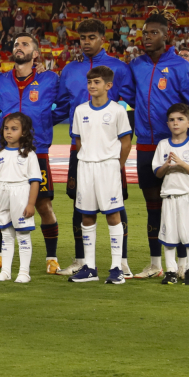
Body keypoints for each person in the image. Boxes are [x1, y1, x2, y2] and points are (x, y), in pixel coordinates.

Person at [0, 34, 63, 274]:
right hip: (6, 151)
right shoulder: (2, 81)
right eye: (15, 44)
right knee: (1, 204)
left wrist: (44, 121)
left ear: (35, 54)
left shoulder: (49, 79)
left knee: (43, 205)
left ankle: (51, 258)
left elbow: (64, 105)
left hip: (37, 150)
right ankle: (1, 255)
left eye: (24, 44)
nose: (18, 47)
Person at [127, 13, 189, 279]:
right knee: (152, 204)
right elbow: (130, 94)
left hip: (173, 144)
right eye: (144, 32)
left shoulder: (180, 66)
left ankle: (184, 265)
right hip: (146, 145)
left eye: (152, 33)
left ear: (166, 36)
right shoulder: (136, 64)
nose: (146, 37)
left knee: (179, 206)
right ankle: (155, 264)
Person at [54, 18, 135, 277]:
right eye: (82, 38)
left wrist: (118, 160)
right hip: (80, 151)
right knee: (80, 206)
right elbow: (61, 105)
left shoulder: (119, 69)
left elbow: (133, 101)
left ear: (103, 39)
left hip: (108, 156)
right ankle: (82, 261)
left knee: (116, 206)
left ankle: (120, 261)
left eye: (91, 37)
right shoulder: (69, 70)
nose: (86, 42)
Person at [68, 66, 132, 285]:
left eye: (96, 82)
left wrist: (117, 165)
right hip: (86, 166)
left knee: (113, 215)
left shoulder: (118, 110)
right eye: (89, 83)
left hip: (108, 167)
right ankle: (90, 267)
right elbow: (78, 142)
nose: (92, 86)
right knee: (87, 216)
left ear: (108, 85)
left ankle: (116, 268)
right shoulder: (80, 110)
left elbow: (126, 142)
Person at [153, 103, 189, 285]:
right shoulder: (162, 145)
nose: (176, 123)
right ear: (167, 123)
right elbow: (158, 173)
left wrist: (181, 163)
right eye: (172, 120)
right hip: (169, 196)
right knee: (168, 237)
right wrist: (167, 165)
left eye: (180, 119)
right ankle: (171, 271)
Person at [0, 112, 40, 284]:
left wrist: (31, 204)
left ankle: (24, 272)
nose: (9, 132)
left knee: (23, 235)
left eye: (14, 129)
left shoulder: (29, 155)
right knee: (6, 235)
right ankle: (5, 271)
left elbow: (35, 182)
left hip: (21, 194)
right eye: (6, 128)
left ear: (23, 132)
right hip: (2, 194)